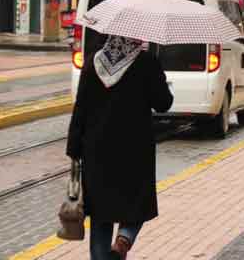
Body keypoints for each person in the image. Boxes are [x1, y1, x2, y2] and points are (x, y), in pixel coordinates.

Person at [66, 35, 174, 260]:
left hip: (97, 153)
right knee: (138, 204)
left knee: (100, 215)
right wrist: (158, 71)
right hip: (134, 152)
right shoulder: (146, 63)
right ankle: (124, 239)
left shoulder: (93, 63)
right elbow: (163, 102)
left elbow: (81, 109)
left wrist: (74, 149)